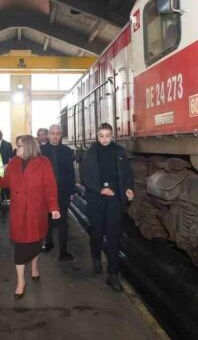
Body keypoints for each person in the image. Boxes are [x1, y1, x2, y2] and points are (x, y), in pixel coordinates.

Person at [0, 135, 60, 300]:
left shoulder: (43, 162)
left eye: (19, 146)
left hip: (36, 210)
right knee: (20, 247)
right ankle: (20, 282)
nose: (16, 149)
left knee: (35, 242)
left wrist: (53, 207)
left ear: (28, 147)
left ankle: (34, 267)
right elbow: (6, 183)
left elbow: (50, 186)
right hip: (19, 210)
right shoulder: (13, 163)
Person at [79, 123, 134, 292]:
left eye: (107, 135)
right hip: (97, 198)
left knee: (113, 236)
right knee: (96, 231)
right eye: (101, 135)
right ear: (97, 136)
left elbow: (127, 173)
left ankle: (113, 275)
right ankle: (96, 256)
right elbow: (85, 177)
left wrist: (128, 189)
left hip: (115, 199)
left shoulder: (119, 152)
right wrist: (100, 189)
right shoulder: (90, 153)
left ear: (112, 136)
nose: (104, 139)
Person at [40, 124, 75, 260]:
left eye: (58, 134)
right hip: (45, 191)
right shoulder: (40, 151)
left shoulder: (67, 151)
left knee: (63, 221)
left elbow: (71, 172)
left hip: (63, 191)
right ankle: (49, 243)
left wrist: (72, 191)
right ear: (48, 135)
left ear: (61, 135)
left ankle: (63, 251)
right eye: (52, 133)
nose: (55, 136)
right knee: (47, 219)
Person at [0, 130, 14, 205]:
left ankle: (5, 202)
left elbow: (11, 157)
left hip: (5, 169)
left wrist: (7, 166)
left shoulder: (7, 144)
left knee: (4, 187)